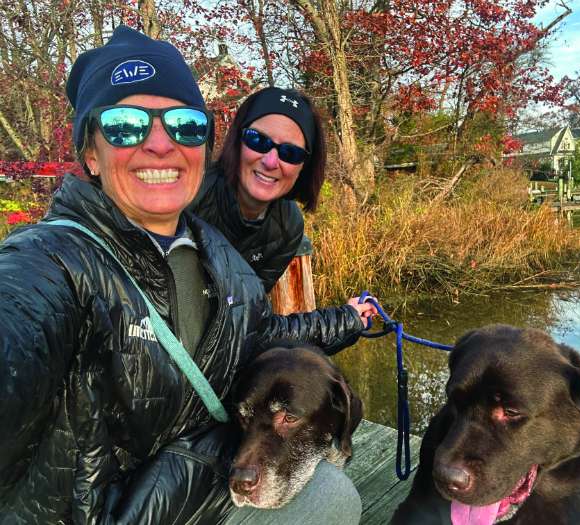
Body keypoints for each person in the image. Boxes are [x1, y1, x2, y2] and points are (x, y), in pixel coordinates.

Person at [0, 26, 375, 524]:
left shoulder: (225, 263)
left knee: (334, 495)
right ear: (91, 153)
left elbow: (259, 332)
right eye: (125, 125)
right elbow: (19, 326)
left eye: (184, 124)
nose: (159, 143)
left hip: (189, 481)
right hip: (102, 511)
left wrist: (349, 320)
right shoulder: (52, 262)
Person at [189, 86, 324, 293]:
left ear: (304, 167)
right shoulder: (190, 199)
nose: (270, 162)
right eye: (258, 140)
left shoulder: (288, 227)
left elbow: (251, 310)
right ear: (237, 142)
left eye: (290, 153)